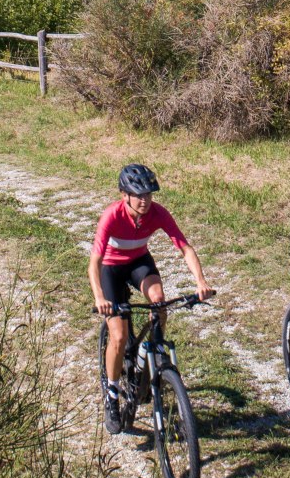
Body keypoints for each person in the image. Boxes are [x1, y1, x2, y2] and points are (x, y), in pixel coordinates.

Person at [90, 162, 214, 433]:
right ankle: (111, 395)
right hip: (111, 269)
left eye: (149, 194)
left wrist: (201, 282)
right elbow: (95, 261)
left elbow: (184, 247)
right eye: (139, 195)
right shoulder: (111, 216)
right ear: (125, 195)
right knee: (119, 336)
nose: (146, 200)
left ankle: (154, 351)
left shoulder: (158, 213)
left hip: (138, 263)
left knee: (158, 299)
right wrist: (100, 297)